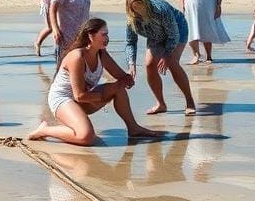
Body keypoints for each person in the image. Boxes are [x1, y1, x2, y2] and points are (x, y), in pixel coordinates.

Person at [28, 18, 162, 145]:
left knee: (118, 88)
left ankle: (133, 128)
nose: (107, 38)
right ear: (91, 36)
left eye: (107, 34)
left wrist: (128, 78)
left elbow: (121, 77)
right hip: (63, 99)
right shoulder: (77, 57)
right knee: (86, 137)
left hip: (85, 98)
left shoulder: (101, 53)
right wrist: (106, 94)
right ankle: (45, 130)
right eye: (104, 35)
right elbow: (79, 95)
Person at [125, 0, 197, 115]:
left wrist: (167, 55)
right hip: (155, 35)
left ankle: (189, 101)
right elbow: (131, 42)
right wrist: (131, 64)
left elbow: (173, 35)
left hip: (177, 30)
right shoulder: (132, 17)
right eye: (134, 9)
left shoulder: (160, 10)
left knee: (172, 63)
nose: (138, 13)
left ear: (147, 4)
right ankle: (161, 104)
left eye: (140, 8)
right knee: (149, 65)